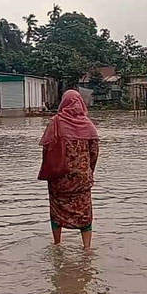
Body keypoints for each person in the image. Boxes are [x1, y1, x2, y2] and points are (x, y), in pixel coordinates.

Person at [39, 90, 99, 251]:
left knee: (57, 210)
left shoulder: (55, 122)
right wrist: (88, 171)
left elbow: (46, 150)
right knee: (84, 212)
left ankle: (57, 244)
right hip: (81, 179)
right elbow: (94, 153)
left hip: (59, 178)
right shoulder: (88, 125)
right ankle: (87, 249)